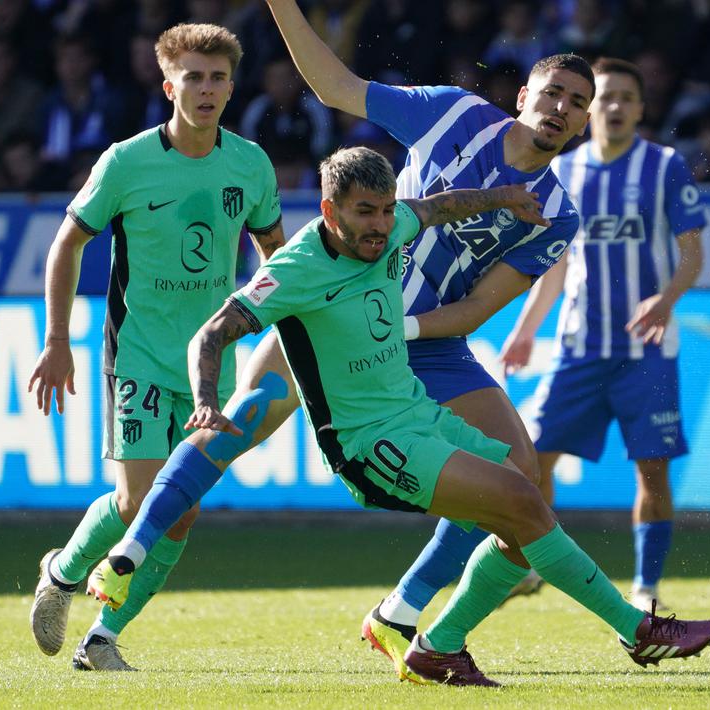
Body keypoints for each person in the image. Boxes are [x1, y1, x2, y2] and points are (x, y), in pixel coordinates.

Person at [85, 146, 710, 686]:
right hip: (372, 446)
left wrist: (503, 197)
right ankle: (636, 632)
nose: (381, 227)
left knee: (520, 505)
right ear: (330, 211)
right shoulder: (296, 270)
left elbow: (441, 207)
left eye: (388, 211)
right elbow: (213, 333)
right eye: (365, 213)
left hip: (418, 415)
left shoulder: (392, 227)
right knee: (521, 504)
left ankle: (434, 642)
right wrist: (203, 400)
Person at [204, 0, 608, 684]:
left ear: (582, 120)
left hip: (429, 340)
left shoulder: (558, 213)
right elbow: (335, 88)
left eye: (576, 101)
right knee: (239, 422)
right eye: (552, 93)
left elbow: (477, 308)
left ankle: (401, 613)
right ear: (522, 96)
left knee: (518, 479)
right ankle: (108, 561)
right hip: (346, 312)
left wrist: (405, 330)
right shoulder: (450, 113)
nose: (561, 107)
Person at [27, 23, 287, 672]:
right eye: (192, 77)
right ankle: (61, 573)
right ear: (168, 84)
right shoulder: (126, 161)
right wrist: (57, 341)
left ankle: (102, 637)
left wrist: (289, 322)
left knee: (182, 514)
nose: (205, 89)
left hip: (212, 365)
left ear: (232, 85)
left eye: (217, 77)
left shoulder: (250, 164)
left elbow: (275, 256)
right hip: (138, 355)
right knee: (138, 504)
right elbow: (67, 244)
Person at [499, 58, 706, 612]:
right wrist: (524, 330)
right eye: (605, 97)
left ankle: (646, 588)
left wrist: (663, 300)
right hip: (578, 347)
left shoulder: (664, 168)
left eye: (625, 98)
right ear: (590, 110)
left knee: (652, 471)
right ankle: (531, 565)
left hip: (647, 352)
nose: (613, 107)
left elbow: (693, 254)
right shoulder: (563, 174)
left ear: (640, 108)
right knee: (531, 458)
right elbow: (555, 262)